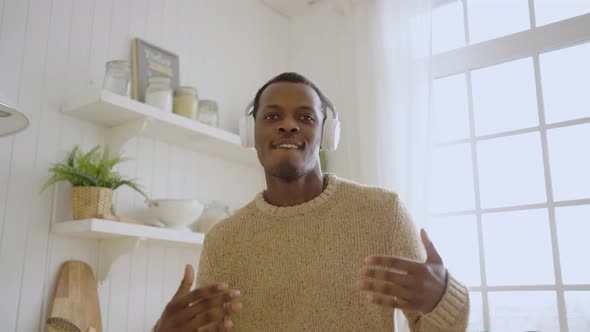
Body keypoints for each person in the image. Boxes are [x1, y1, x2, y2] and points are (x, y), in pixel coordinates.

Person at [154, 72, 470, 331]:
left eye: (305, 117)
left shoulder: (383, 213)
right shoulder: (222, 240)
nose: (288, 124)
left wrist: (442, 300)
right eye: (272, 115)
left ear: (326, 134)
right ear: (251, 134)